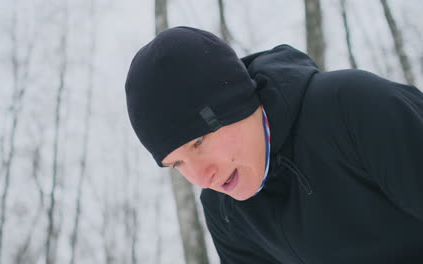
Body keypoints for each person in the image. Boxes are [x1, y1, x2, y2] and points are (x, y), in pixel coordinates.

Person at [125, 26, 423, 263]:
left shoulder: (352, 109)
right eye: (177, 163)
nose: (203, 177)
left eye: (199, 142)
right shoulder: (223, 211)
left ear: (234, 103)